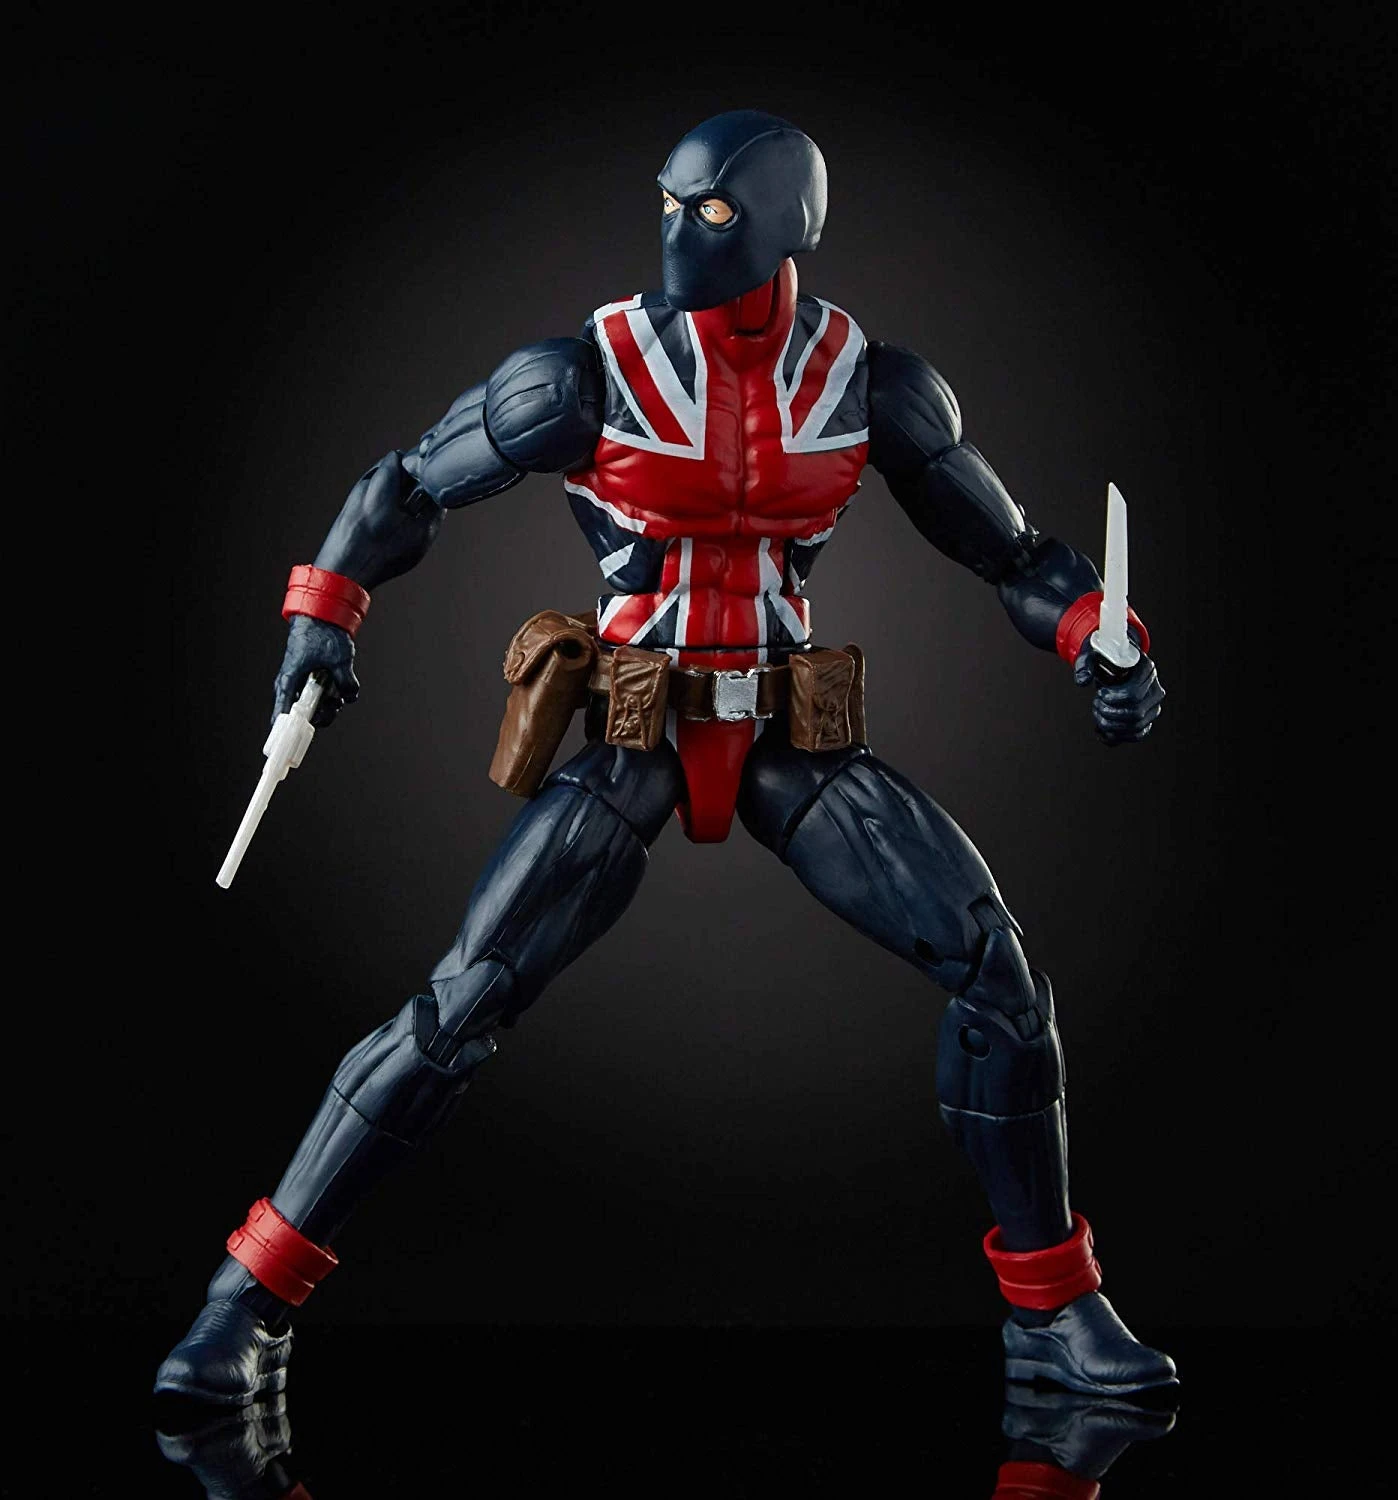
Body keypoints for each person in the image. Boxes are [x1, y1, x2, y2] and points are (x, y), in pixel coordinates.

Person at [155, 109, 1174, 1406]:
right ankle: (239, 1309)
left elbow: (1012, 554)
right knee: (460, 1006)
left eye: (716, 212)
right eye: (672, 202)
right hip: (638, 728)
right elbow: (404, 486)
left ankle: (1055, 1320)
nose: (683, 230)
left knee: (1000, 980)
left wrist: (1098, 638)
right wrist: (323, 620)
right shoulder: (585, 376)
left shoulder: (865, 383)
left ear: (789, 225)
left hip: (790, 734)